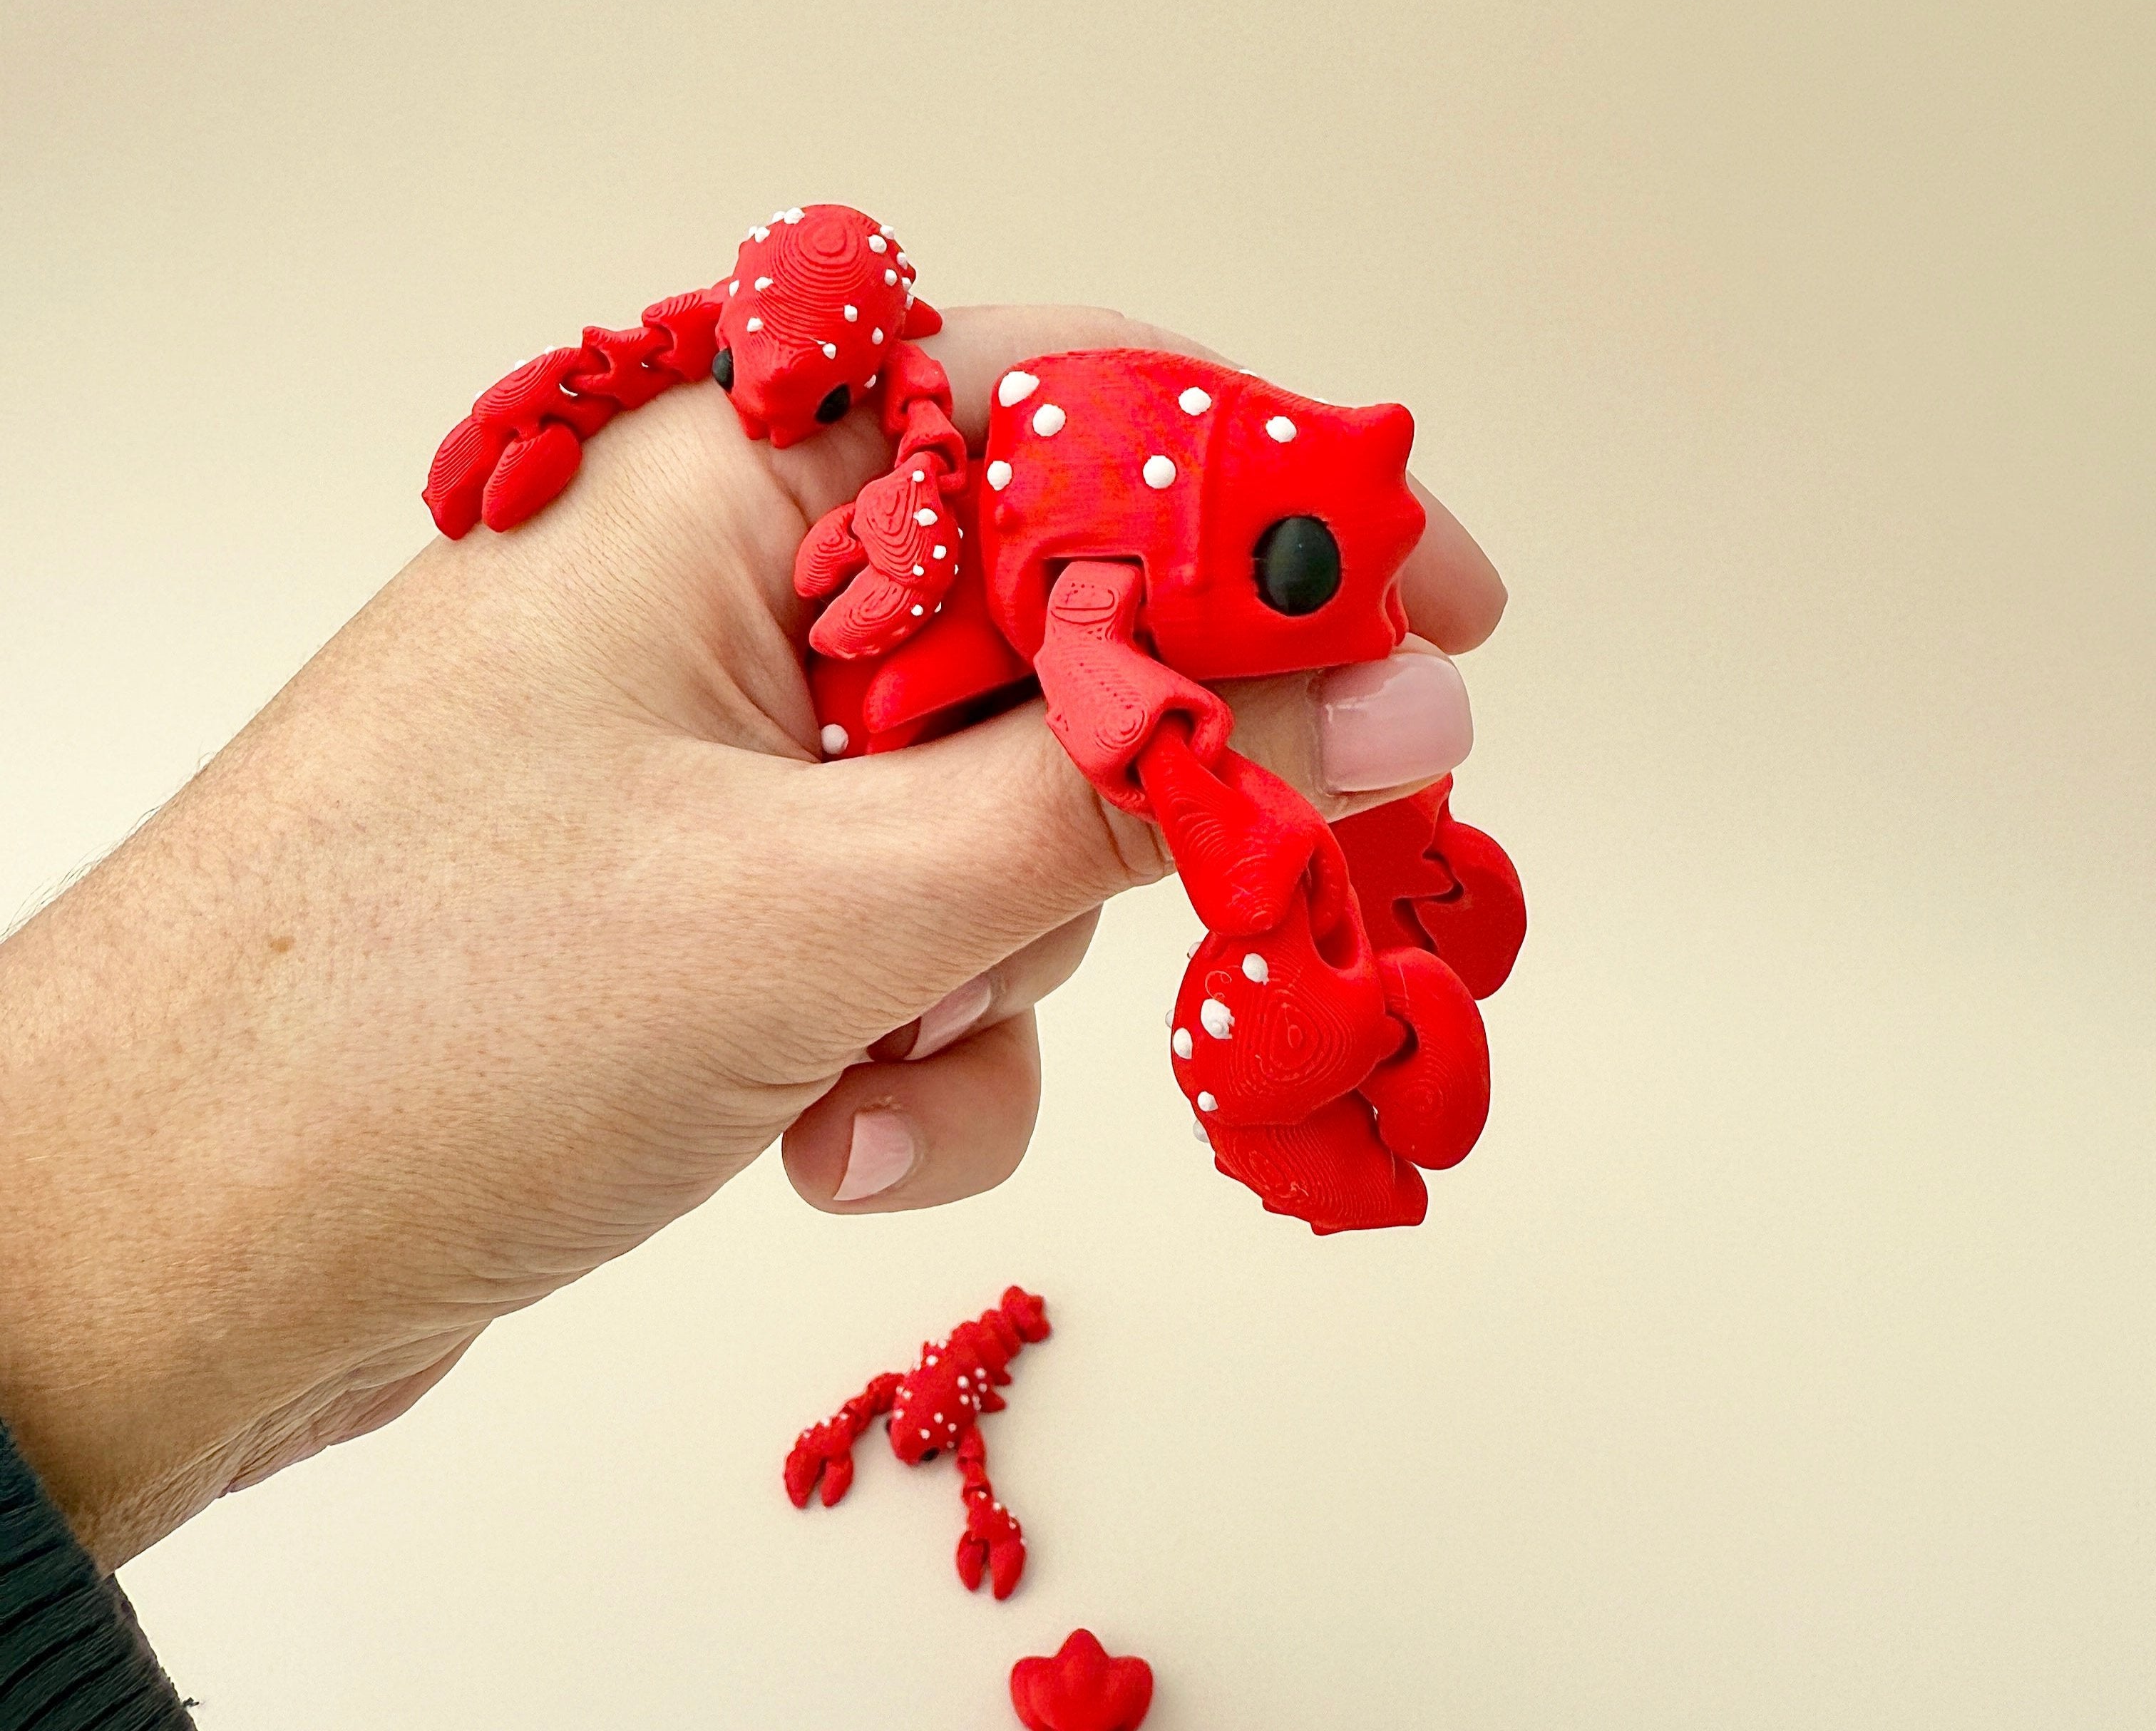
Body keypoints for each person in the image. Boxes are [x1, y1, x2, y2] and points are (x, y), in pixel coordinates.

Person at [0, 303, 1505, 1725]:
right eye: (1308, 574)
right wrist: (1183, 800)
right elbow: (1114, 706)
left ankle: (1397, 906)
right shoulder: (1040, 542)